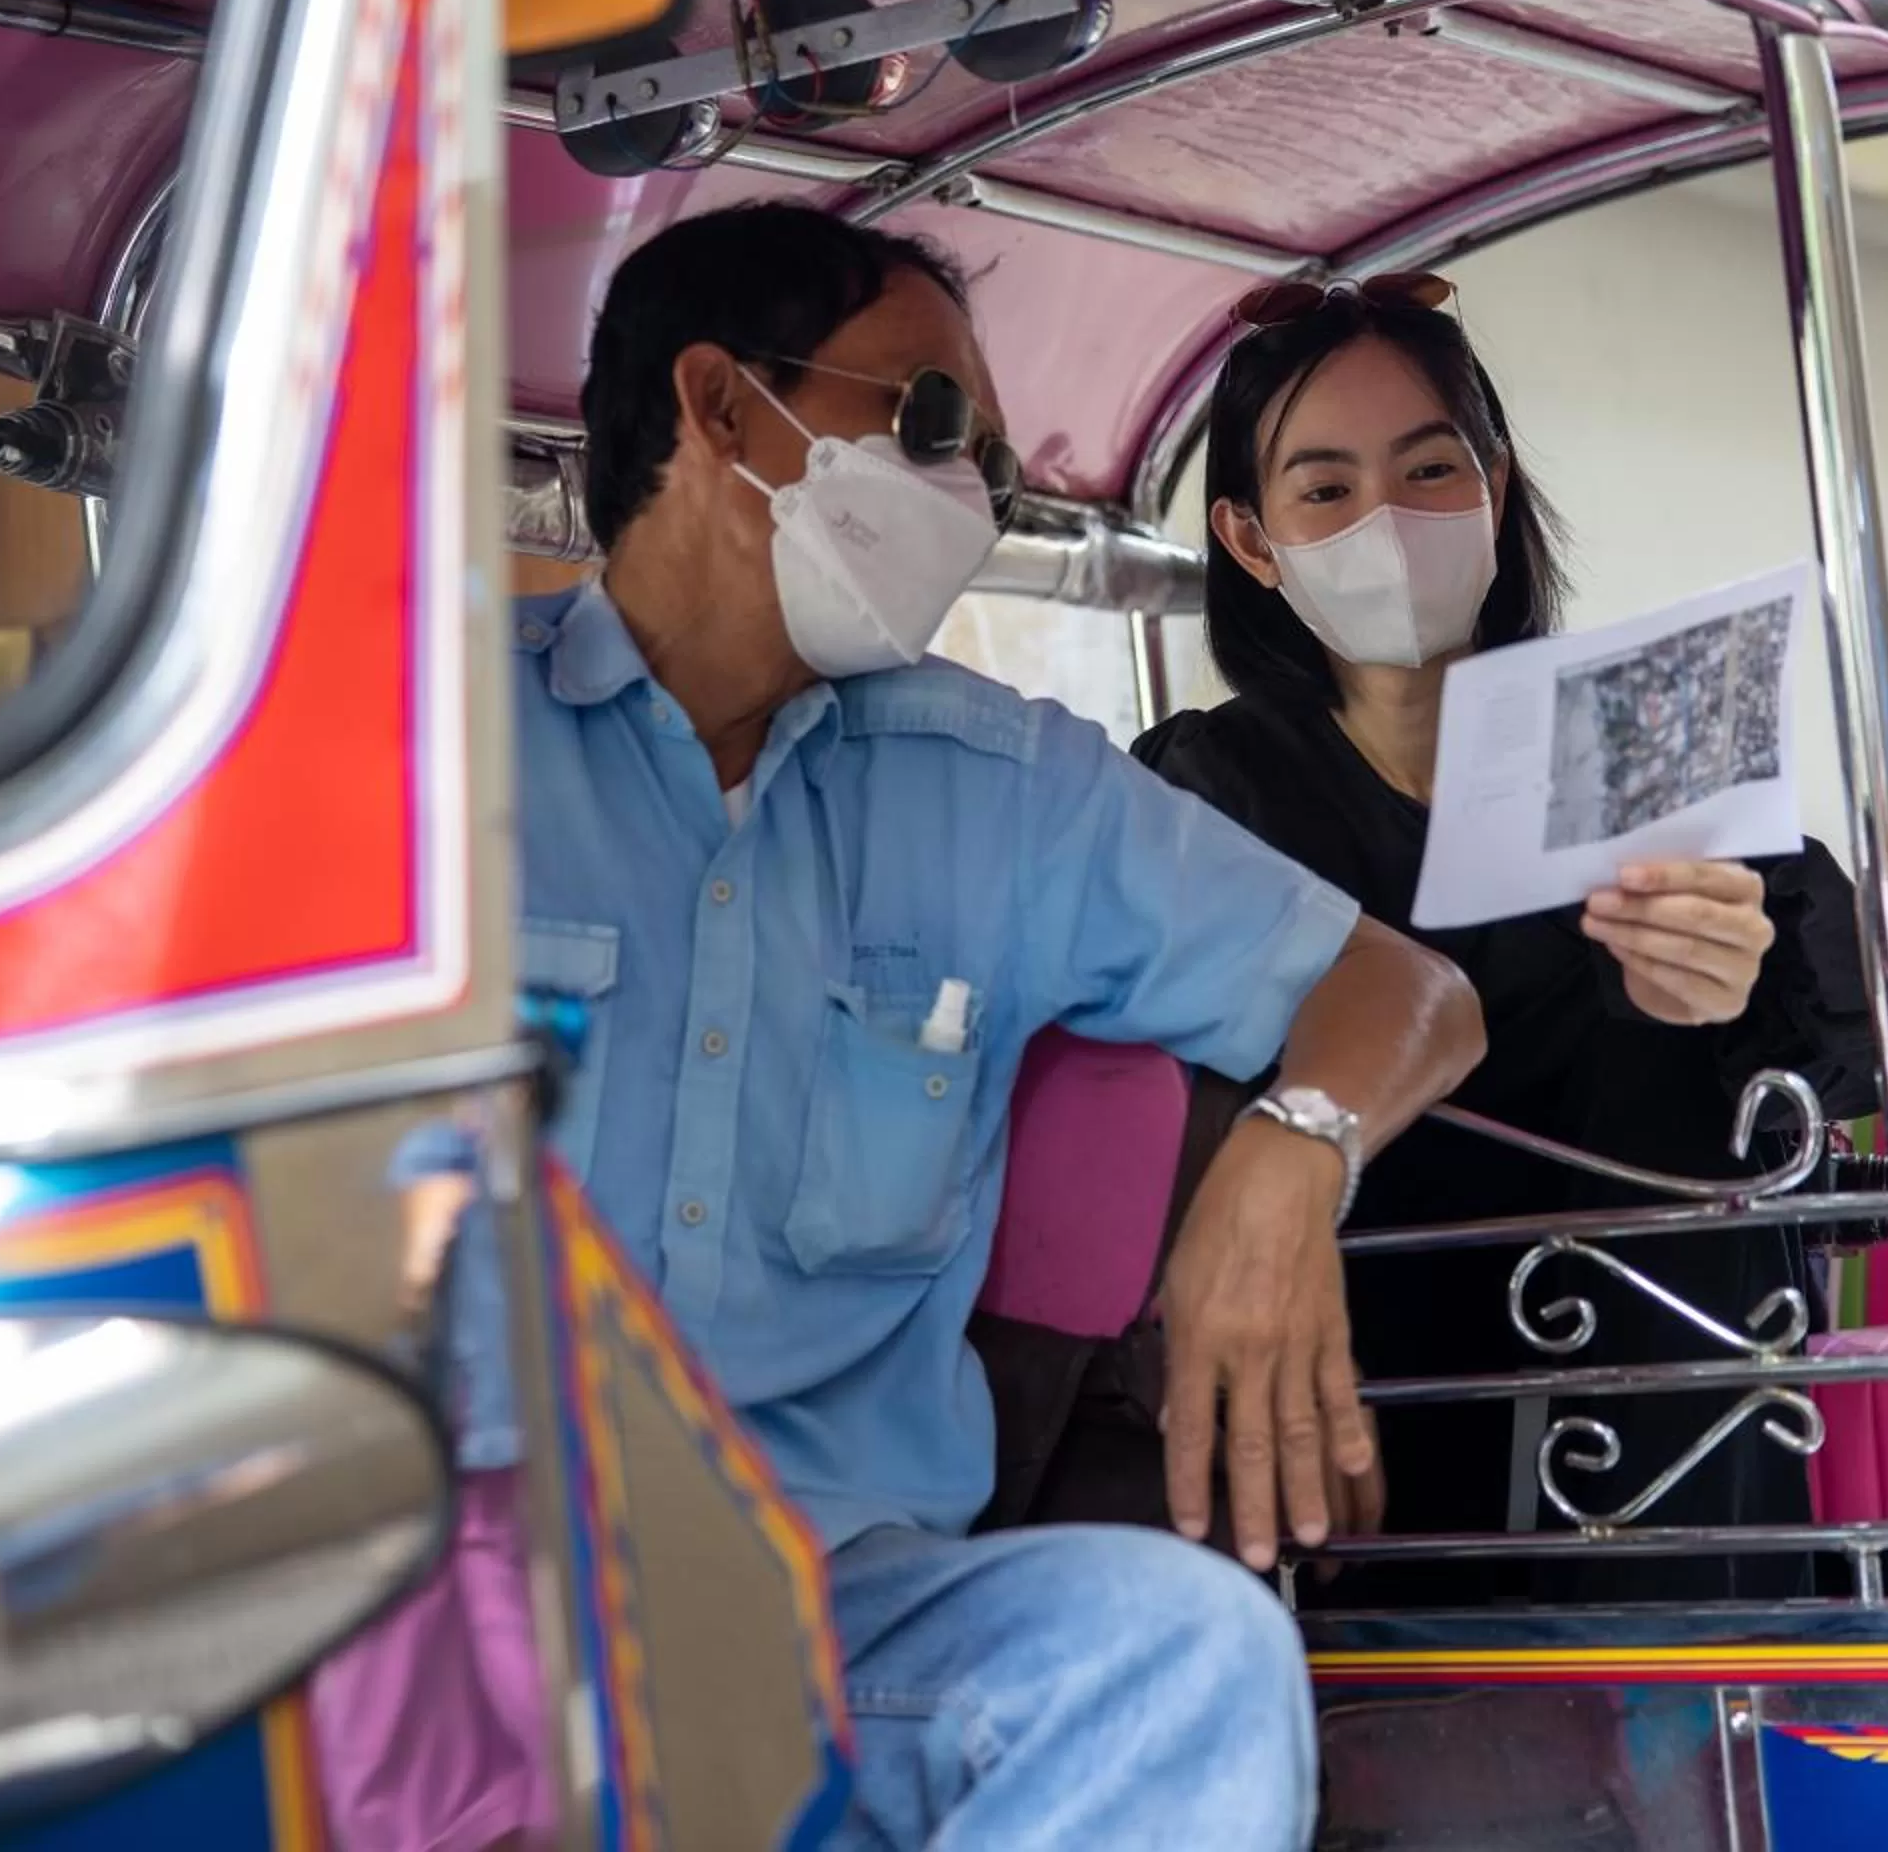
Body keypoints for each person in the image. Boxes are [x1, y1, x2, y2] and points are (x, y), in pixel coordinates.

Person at [481, 204, 1485, 1848]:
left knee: (1180, 1655)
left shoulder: (1004, 795)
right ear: (723, 407)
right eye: (930, 420)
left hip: (828, 1630)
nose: (966, 495)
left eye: (993, 468)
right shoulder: (413, 746)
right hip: (447, 1611)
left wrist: (1291, 1157)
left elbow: (1409, 1001)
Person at [1132, 273, 1881, 1607]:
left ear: (1496, 483)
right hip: (1364, 1385)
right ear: (1251, 541)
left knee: (1672, 1086)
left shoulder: (1639, 735)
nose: (1386, 522)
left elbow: (1817, 1091)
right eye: (1324, 489)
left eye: (1428, 469)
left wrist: (1726, 981)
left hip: (1667, 1400)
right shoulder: (1206, 791)